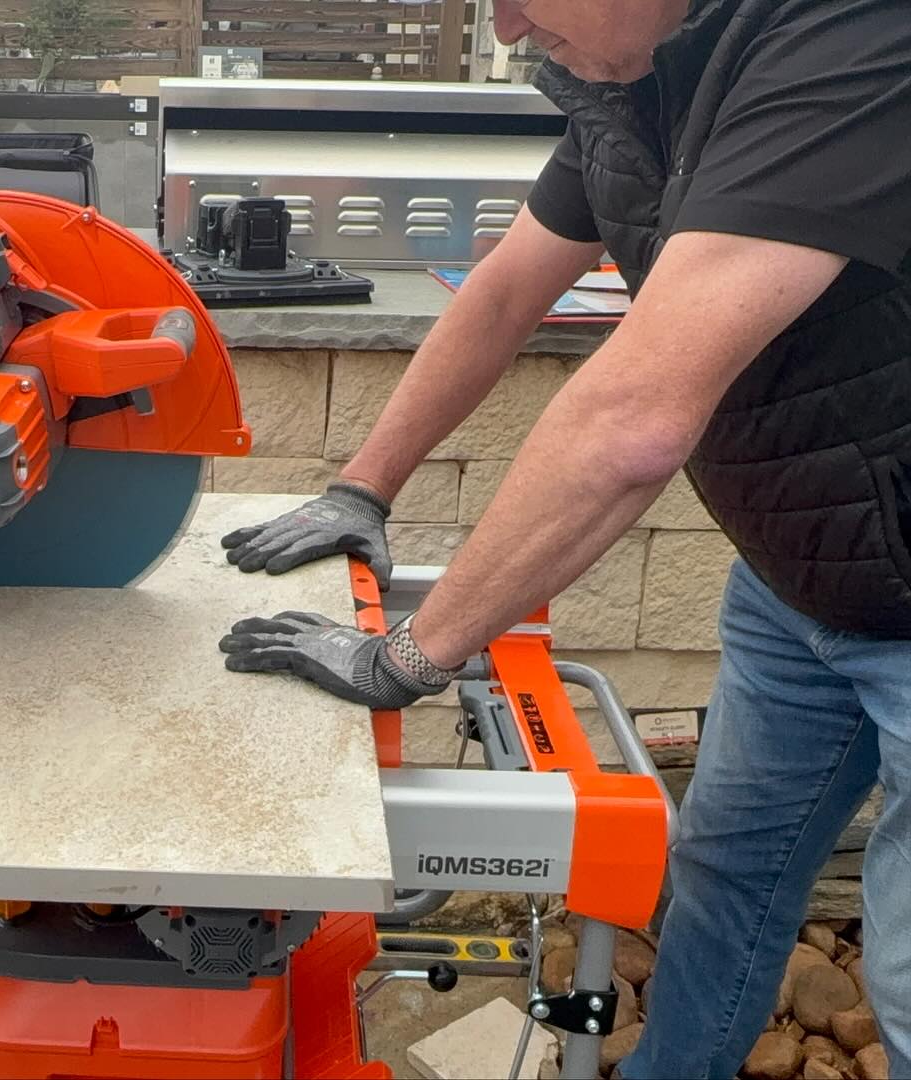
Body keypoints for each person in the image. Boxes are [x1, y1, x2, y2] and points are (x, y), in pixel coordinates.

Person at [216, 0, 911, 1076]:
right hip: (801, 583)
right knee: (727, 873)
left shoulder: (856, 45)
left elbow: (635, 415)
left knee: (908, 980)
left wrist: (413, 652)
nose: (504, 23)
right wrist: (364, 487)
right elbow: (500, 295)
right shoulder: (630, 92)